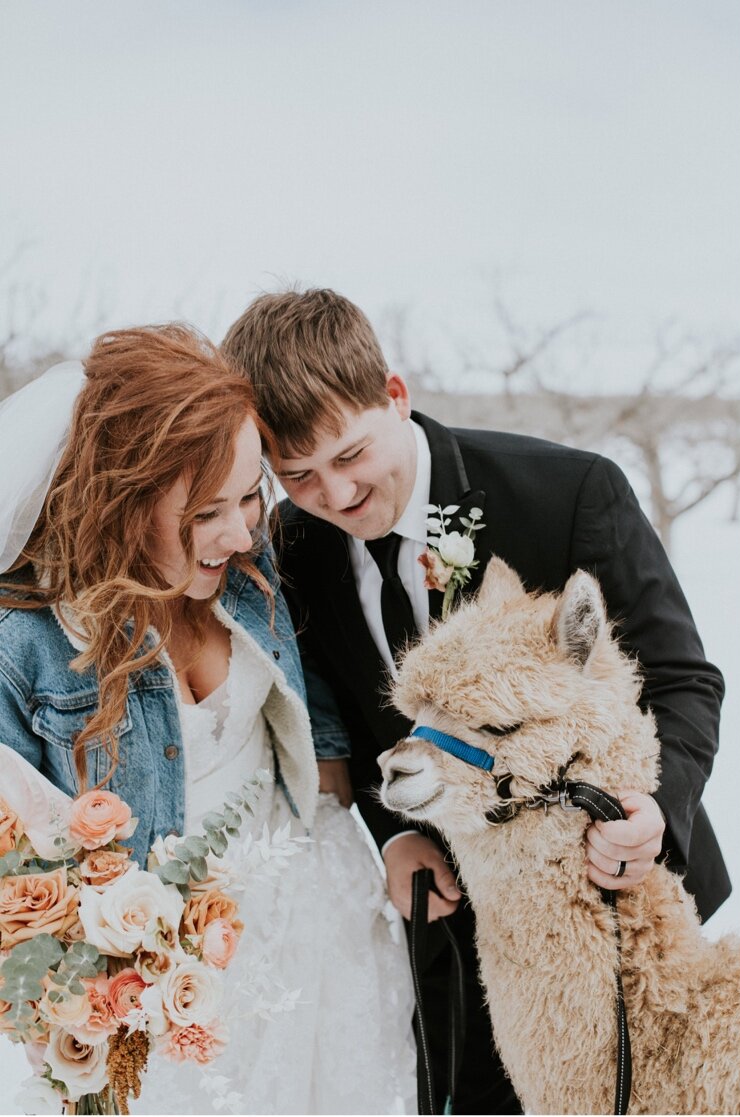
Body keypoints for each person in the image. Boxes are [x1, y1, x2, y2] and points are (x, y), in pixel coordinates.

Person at [220, 289, 730, 1114]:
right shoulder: (293, 550)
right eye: (298, 476)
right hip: (455, 924)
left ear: (395, 393)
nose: (336, 494)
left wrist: (653, 811)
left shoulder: (570, 494)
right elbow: (353, 721)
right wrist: (394, 838)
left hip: (614, 904)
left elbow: (683, 679)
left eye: (351, 455)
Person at [0, 325, 415, 1113]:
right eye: (206, 512)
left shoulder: (249, 576)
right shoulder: (24, 642)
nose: (242, 531)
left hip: (314, 935)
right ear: (120, 500)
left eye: (250, 495)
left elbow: (312, 673)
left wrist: (344, 780)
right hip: (166, 994)